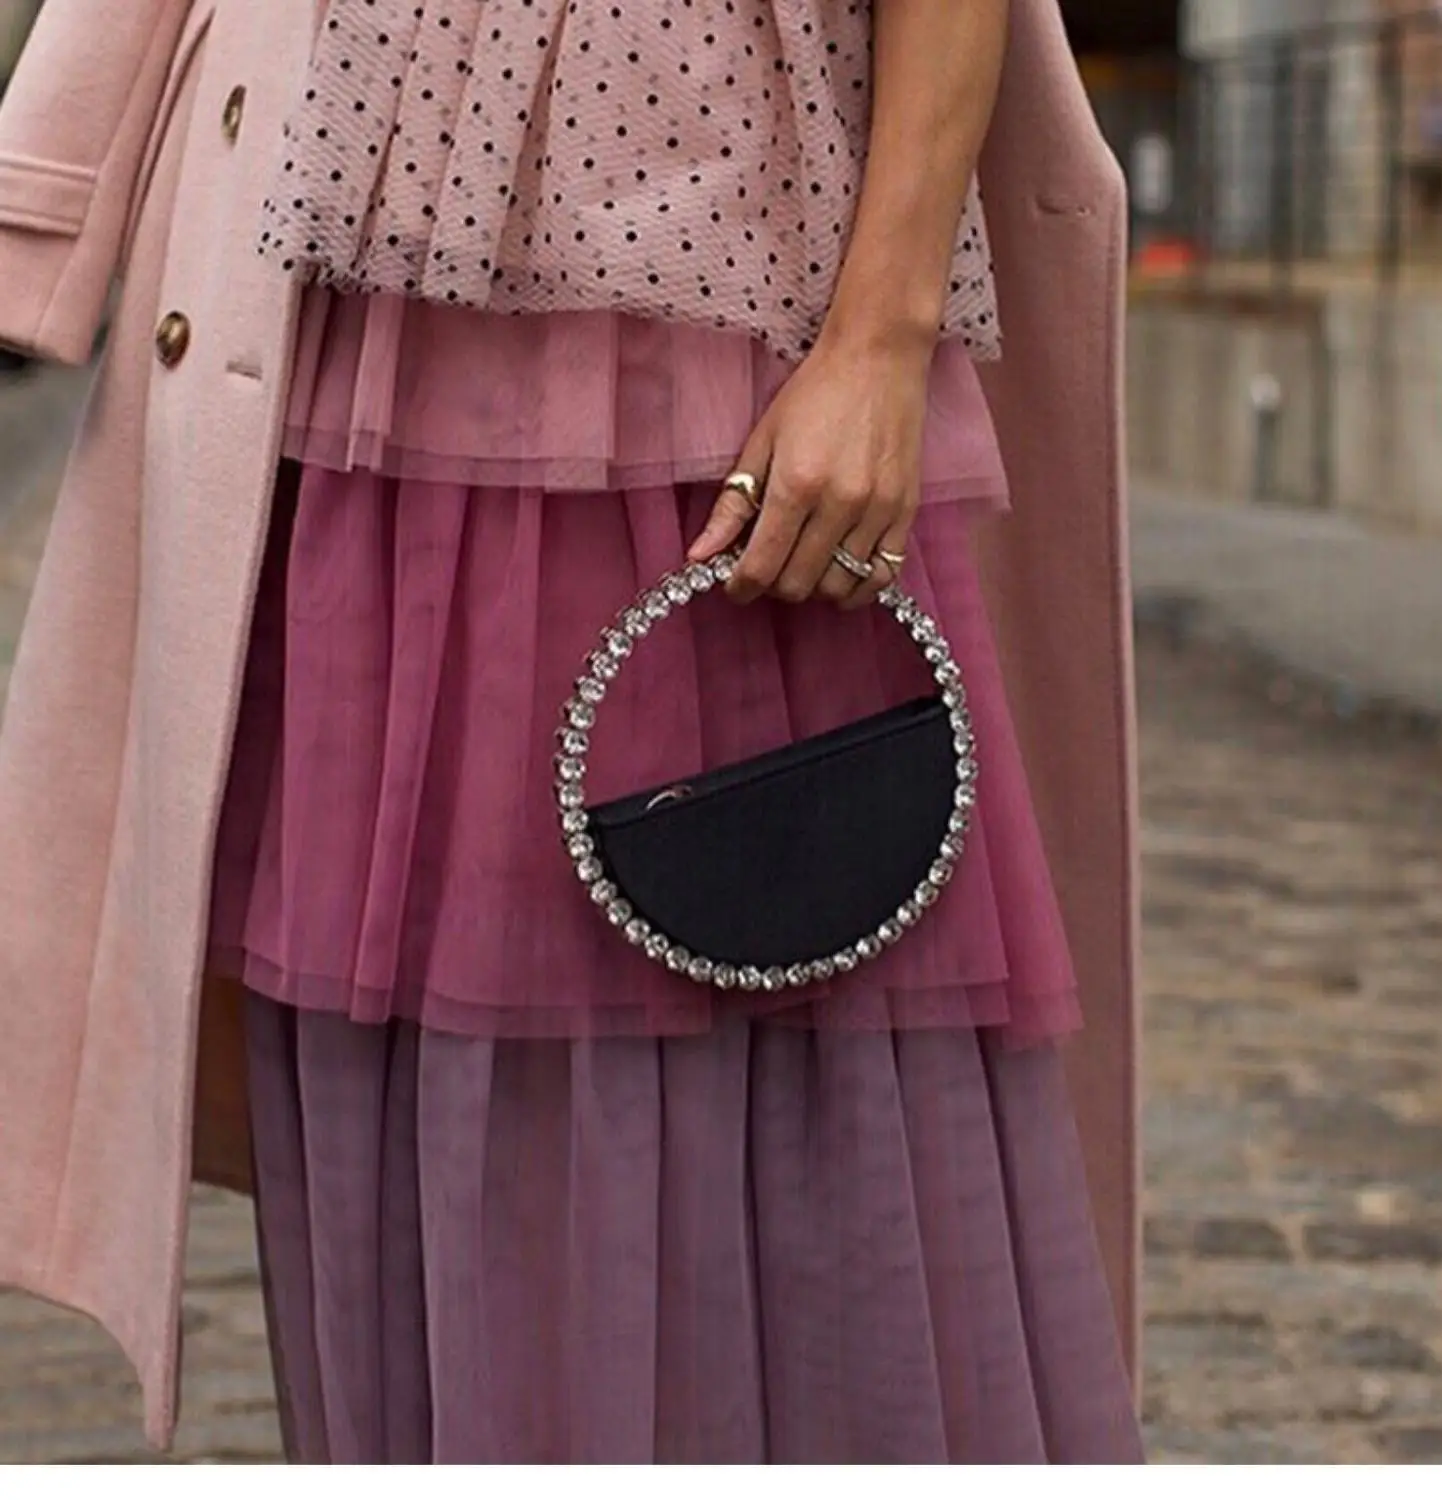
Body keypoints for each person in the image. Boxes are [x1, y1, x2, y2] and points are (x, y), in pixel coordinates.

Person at [0, 0, 1143, 1464]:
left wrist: (880, 335)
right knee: (406, 1064)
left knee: (813, 994)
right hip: (375, 321)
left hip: (754, 318)